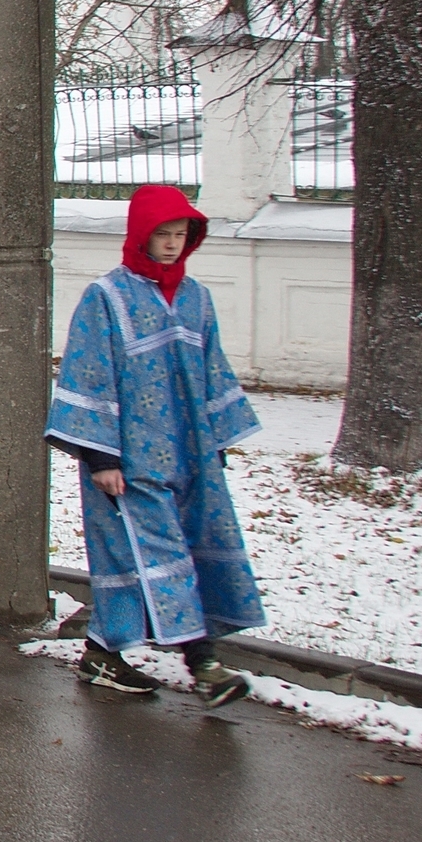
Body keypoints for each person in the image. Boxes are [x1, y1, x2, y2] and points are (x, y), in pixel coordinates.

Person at [46, 184, 263, 704]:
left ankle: (102, 656)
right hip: (128, 460)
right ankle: (204, 665)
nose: (170, 244)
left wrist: (215, 443)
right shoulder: (107, 296)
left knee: (158, 556)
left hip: (191, 458)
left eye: (180, 234)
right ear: (140, 236)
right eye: (161, 234)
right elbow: (89, 372)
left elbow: (212, 372)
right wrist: (100, 457)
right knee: (160, 555)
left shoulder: (197, 299)